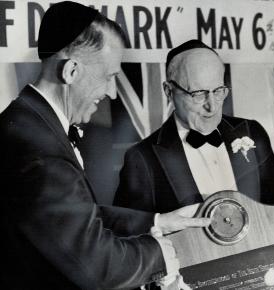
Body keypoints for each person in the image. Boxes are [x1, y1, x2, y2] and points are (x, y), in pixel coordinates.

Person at [0, 4, 210, 290]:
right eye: (109, 77)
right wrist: (158, 254)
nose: (111, 93)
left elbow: (74, 217)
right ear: (71, 71)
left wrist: (159, 221)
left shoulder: (28, 123)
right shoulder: (40, 148)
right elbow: (95, 267)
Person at [114, 39, 274, 238]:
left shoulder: (252, 133)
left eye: (218, 91)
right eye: (198, 94)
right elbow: (128, 238)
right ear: (169, 91)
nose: (212, 106)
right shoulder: (141, 159)